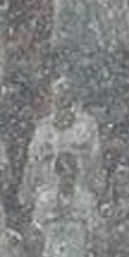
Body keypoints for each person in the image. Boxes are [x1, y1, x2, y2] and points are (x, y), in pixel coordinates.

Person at [21, 79, 103, 211]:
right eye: (59, 97)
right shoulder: (43, 129)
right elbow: (32, 163)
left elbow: (95, 162)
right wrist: (27, 195)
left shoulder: (87, 126)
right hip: (46, 196)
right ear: (52, 99)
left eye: (66, 97)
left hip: (81, 195)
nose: (63, 101)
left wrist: (97, 191)